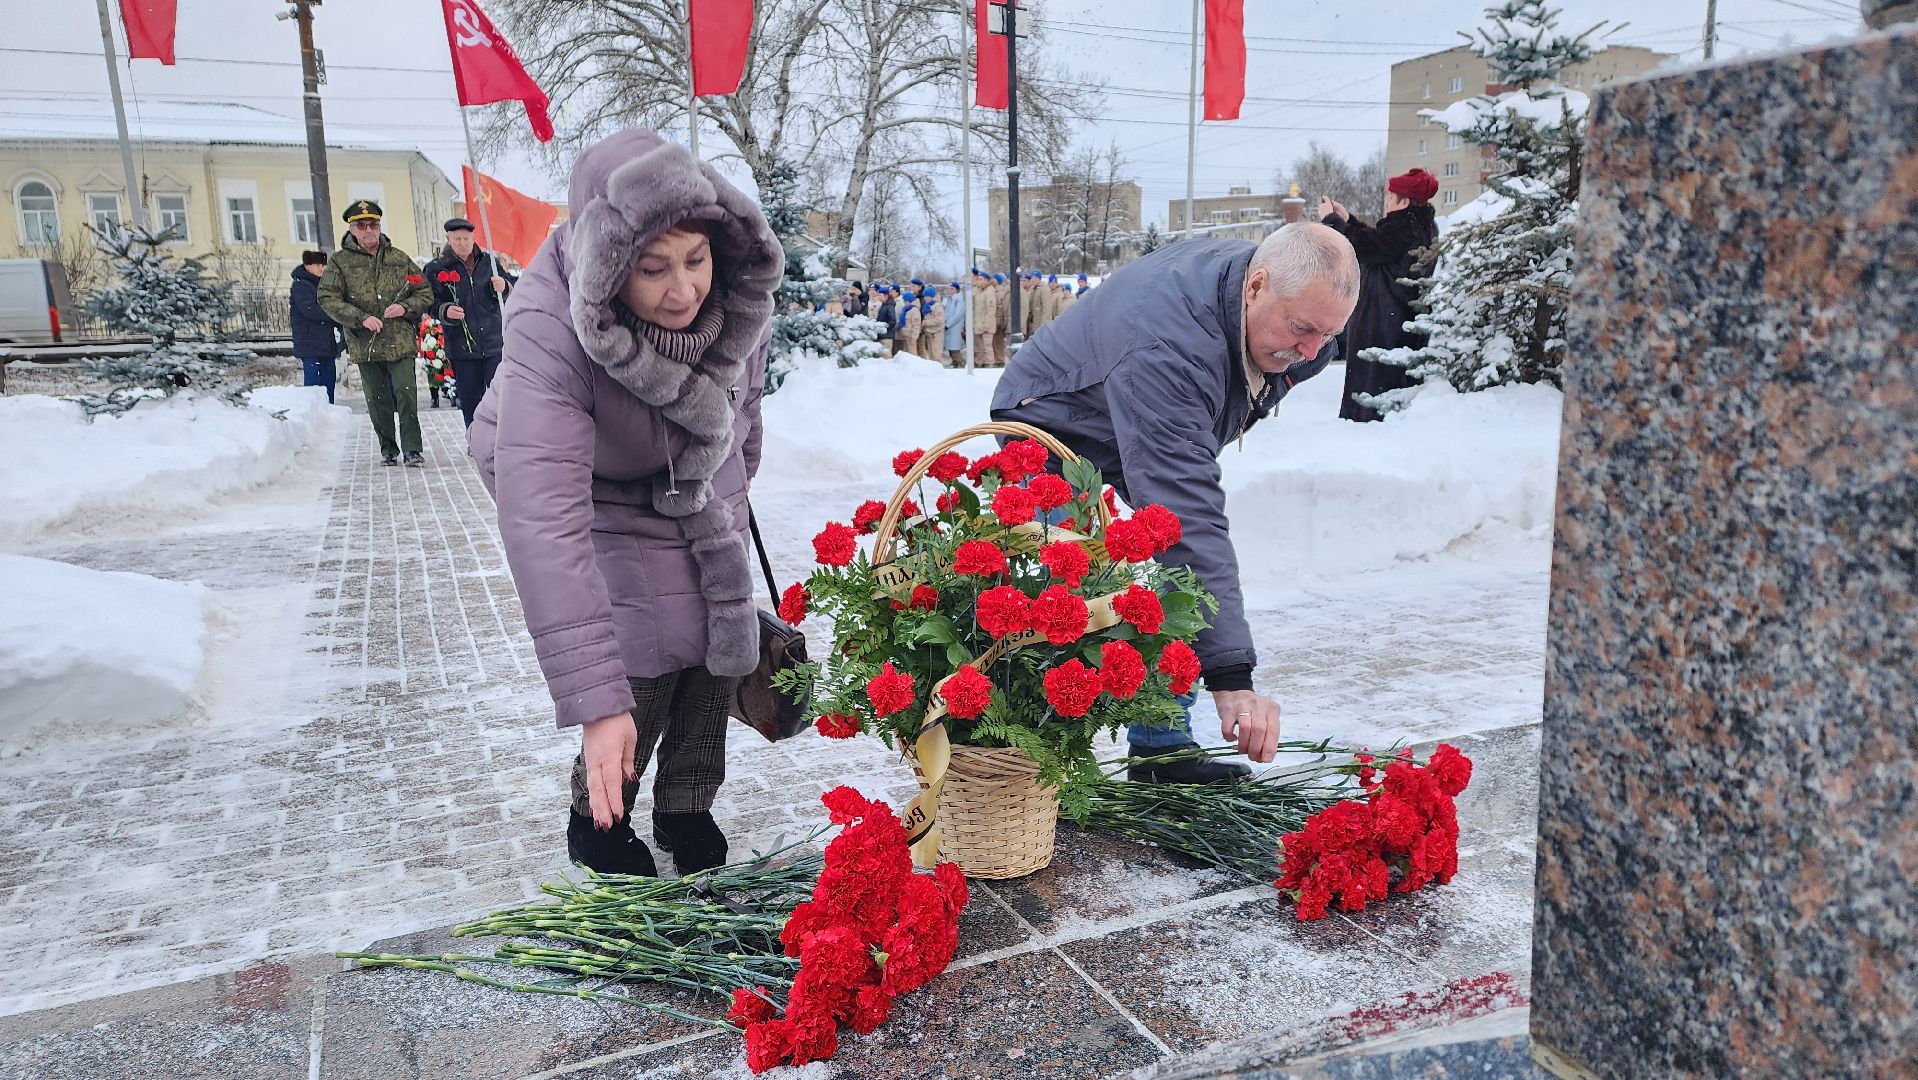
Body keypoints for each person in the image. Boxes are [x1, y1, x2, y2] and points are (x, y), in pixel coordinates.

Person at [469, 129, 781, 877]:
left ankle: (687, 804)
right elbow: (542, 512)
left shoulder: (736, 296)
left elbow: (745, 412)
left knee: (716, 642)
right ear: (609, 266)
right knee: (638, 653)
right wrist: (593, 702)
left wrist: (723, 498)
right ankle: (599, 819)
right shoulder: (553, 328)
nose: (682, 290)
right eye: (652, 269)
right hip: (586, 483)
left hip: (690, 480)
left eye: (695, 260)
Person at [989, 224, 1359, 783]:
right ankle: (1026, 762)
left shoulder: (1284, 315)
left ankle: (1161, 752)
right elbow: (1188, 517)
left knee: (1170, 573)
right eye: (1302, 329)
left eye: (1326, 337)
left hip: (1131, 411)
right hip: (1053, 421)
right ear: (1255, 286)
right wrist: (1231, 675)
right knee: (1077, 591)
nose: (1310, 353)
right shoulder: (1166, 347)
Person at [318, 200, 435, 466]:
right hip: (365, 343)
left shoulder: (399, 259)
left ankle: (413, 448)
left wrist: (404, 307)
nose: (369, 230)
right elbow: (327, 298)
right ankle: (388, 449)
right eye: (362, 225)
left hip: (399, 339)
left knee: (406, 393)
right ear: (352, 229)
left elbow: (424, 291)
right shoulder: (340, 263)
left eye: (374, 224)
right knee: (377, 398)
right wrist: (361, 318)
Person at [1320, 169, 1441, 423]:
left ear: (1404, 202)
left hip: (1384, 323)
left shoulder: (1404, 229)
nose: (1387, 201)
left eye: (1391, 197)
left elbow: (1361, 246)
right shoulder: (1418, 227)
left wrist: (1331, 220)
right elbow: (1376, 244)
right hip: (1396, 321)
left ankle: (1364, 424)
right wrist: (1348, 219)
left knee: (1373, 385)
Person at [423, 217, 515, 428]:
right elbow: (429, 302)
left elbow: (510, 287)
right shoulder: (437, 268)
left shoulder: (489, 262)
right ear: (448, 239)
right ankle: (475, 438)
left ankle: (501, 436)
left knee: (499, 396)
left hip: (493, 344)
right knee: (470, 398)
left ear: (473, 238)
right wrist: (444, 310)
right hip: (462, 346)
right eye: (457, 239)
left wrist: (505, 286)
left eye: (466, 238)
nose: (462, 243)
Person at [288, 250, 342, 404]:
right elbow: (311, 311)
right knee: (313, 386)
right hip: (309, 344)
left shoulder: (323, 285)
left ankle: (328, 411)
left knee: (328, 383)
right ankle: (315, 414)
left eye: (324, 265)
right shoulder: (301, 285)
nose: (322, 268)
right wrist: (336, 315)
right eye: (318, 265)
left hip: (326, 344)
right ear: (307, 265)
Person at [969, 269, 998, 367]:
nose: (979, 281)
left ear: (986, 280)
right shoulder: (980, 291)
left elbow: (990, 309)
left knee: (987, 347)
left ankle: (989, 363)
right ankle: (980, 363)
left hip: (986, 325)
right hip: (978, 324)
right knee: (979, 347)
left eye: (981, 279)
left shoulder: (989, 291)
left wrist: (987, 324)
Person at [941, 282, 966, 366]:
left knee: (955, 347)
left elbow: (957, 314)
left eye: (952, 289)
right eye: (949, 288)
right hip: (949, 327)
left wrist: (948, 324)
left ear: (957, 290)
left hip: (955, 327)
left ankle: (960, 362)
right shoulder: (949, 300)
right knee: (950, 347)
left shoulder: (959, 300)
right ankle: (955, 362)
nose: (950, 290)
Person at [918, 283, 944, 360]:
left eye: (926, 296)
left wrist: (925, 323)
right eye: (924, 296)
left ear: (931, 296)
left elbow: (939, 320)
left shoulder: (937, 306)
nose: (925, 298)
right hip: (929, 333)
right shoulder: (926, 306)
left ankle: (939, 370)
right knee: (931, 354)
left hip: (936, 332)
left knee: (936, 354)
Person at [895, 284, 922, 356]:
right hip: (905, 336)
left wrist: (914, 338)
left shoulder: (914, 310)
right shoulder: (905, 309)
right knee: (907, 355)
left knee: (912, 355)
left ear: (909, 301)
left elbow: (916, 325)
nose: (904, 302)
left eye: (905, 301)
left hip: (911, 337)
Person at [992, 272, 1012, 363]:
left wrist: (1000, 321)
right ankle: (998, 359)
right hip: (998, 320)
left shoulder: (1001, 292)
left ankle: (1000, 359)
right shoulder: (995, 290)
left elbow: (1001, 308)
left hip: (999, 320)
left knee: (999, 343)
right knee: (995, 343)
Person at [873, 284, 897, 355]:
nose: (879, 297)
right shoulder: (883, 305)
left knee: (886, 356)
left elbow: (893, 321)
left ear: (886, 296)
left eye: (880, 295)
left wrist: (884, 327)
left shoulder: (890, 306)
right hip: (882, 335)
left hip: (887, 337)